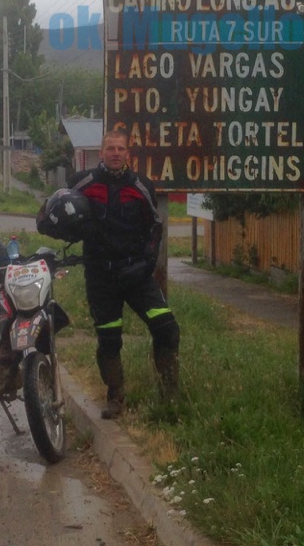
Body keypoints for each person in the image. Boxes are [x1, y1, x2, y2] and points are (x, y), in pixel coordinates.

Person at [67, 128, 180, 419]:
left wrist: (148, 261)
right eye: (110, 149)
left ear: (128, 154)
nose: (115, 153)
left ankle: (171, 398)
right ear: (102, 152)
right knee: (109, 339)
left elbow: (156, 226)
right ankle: (115, 397)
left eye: (120, 149)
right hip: (100, 277)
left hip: (137, 275)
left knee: (166, 328)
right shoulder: (82, 183)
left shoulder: (141, 185)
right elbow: (56, 212)